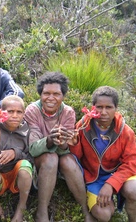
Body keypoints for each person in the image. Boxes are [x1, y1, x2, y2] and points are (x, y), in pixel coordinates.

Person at [24, 71, 94, 222]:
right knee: (51, 158)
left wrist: (62, 143)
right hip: (39, 158)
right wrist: (49, 140)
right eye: (46, 93)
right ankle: (42, 212)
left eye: (56, 94)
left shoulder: (68, 112)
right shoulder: (32, 110)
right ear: (40, 94)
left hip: (60, 156)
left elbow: (66, 148)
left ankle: (85, 208)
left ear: (63, 96)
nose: (50, 98)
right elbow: (33, 148)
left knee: (67, 161)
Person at [69, 86, 136, 222]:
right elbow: (77, 158)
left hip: (118, 174)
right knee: (103, 215)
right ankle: (108, 202)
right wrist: (74, 145)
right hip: (94, 178)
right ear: (92, 108)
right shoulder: (83, 126)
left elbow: (132, 163)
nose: (103, 112)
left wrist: (111, 184)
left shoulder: (125, 131)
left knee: (134, 190)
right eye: (99, 107)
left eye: (108, 107)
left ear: (116, 108)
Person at [0, 95, 33, 222]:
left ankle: (21, 208)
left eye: (19, 112)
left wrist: (15, 153)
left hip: (18, 177)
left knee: (25, 165)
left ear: (24, 114)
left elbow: (32, 158)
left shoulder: (28, 131)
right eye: (10, 111)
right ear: (1, 112)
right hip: (0, 178)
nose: (15, 115)